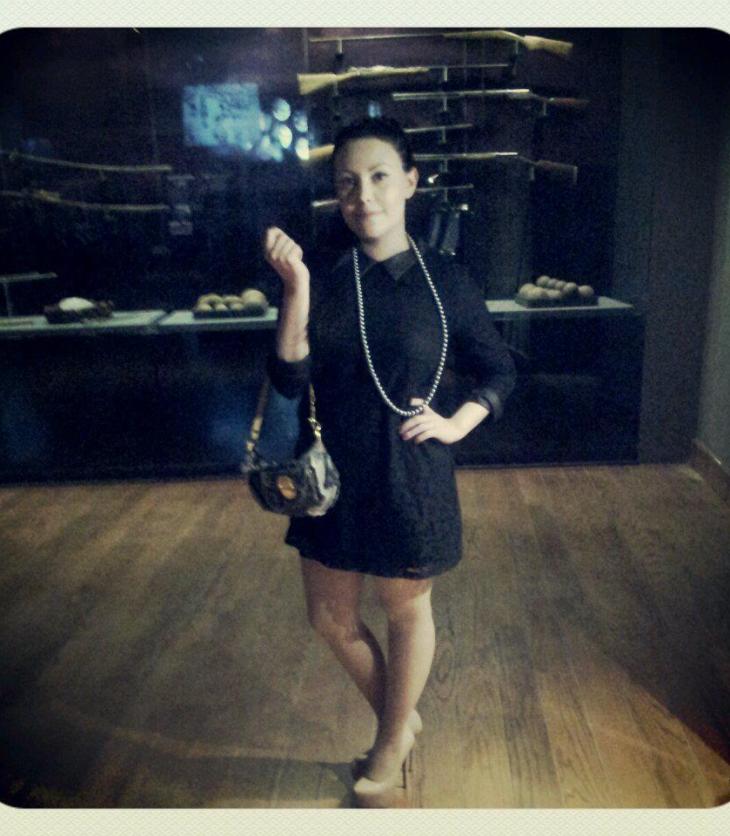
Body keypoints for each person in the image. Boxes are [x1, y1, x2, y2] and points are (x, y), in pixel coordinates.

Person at [262, 116, 516, 806]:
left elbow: (498, 368)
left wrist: (458, 422)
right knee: (329, 618)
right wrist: (295, 288)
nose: (363, 195)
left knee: (405, 609)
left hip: (411, 471)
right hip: (329, 475)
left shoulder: (445, 280)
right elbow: (288, 378)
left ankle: (388, 739)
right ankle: (402, 721)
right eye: (347, 182)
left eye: (379, 177)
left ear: (410, 181)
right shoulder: (321, 272)